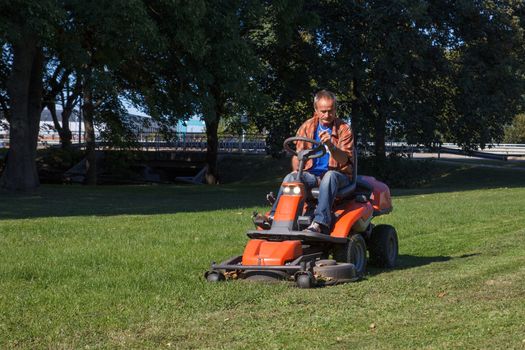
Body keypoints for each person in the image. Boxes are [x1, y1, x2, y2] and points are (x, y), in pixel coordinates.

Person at [261, 90, 354, 234]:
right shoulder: (307, 127)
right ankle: (275, 216)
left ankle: (320, 222)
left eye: (330, 111)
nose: (327, 115)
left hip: (338, 175)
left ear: (335, 109)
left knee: (329, 176)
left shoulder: (344, 129)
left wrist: (330, 145)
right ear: (316, 110)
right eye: (323, 111)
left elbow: (344, 160)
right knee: (290, 178)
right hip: (312, 175)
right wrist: (296, 172)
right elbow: (297, 156)